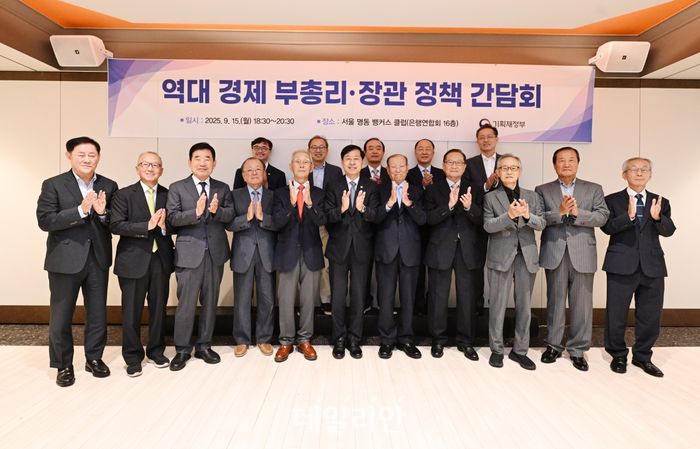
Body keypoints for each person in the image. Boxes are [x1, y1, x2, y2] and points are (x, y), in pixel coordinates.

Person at [36, 136, 118, 387]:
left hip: (98, 258)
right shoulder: (53, 184)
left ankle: (94, 358)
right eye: (81, 154)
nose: (87, 159)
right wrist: (80, 211)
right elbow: (45, 221)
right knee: (61, 316)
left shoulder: (109, 185)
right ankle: (63, 364)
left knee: (97, 313)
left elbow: (115, 221)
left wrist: (103, 214)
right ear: (69, 155)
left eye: (92, 155)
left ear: (99, 158)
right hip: (64, 260)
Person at [535, 147, 609, 372]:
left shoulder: (593, 188)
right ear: (554, 164)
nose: (566, 164)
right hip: (554, 252)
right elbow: (539, 218)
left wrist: (578, 213)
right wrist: (559, 213)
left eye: (571, 160)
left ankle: (577, 350)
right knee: (555, 302)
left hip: (583, 252)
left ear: (578, 163)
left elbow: (603, 217)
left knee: (582, 305)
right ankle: (553, 346)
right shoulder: (543, 190)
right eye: (561, 160)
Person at [602, 157, 675, 378]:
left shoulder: (660, 201)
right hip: (620, 265)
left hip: (653, 266)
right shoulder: (612, 200)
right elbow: (607, 227)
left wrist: (657, 217)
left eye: (644, 169)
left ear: (650, 174)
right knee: (616, 314)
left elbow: (669, 231)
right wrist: (629, 217)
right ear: (624, 174)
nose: (639, 173)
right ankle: (618, 355)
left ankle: (643, 356)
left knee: (650, 315)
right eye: (634, 169)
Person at [166, 142, 234, 371]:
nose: (202, 163)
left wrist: (216, 211)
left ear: (214, 163)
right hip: (189, 253)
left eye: (207, 158)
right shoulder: (177, 187)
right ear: (189, 162)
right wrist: (194, 213)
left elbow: (230, 216)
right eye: (197, 158)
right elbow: (172, 219)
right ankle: (182, 349)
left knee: (210, 303)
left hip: (215, 253)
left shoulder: (222, 188)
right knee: (186, 304)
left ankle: (204, 345)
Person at [110, 151, 175, 377]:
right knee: (131, 312)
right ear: (137, 168)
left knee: (159, 310)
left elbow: (176, 224)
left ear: (161, 170)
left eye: (155, 165)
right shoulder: (123, 194)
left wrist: (164, 226)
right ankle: (132, 357)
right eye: (145, 164)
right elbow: (116, 225)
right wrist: (146, 226)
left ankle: (156, 351)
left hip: (161, 260)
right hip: (132, 261)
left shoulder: (168, 194)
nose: (150, 168)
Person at [483, 154, 545, 370]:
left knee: (524, 307)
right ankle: (496, 350)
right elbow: (488, 226)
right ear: (498, 172)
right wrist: (508, 216)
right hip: (500, 257)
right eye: (505, 168)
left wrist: (528, 216)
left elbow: (542, 223)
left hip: (526, 257)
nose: (509, 171)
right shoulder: (491, 197)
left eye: (514, 168)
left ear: (520, 171)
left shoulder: (532, 196)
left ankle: (520, 351)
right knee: (497, 306)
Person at [424, 149, 483, 360]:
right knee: (438, 296)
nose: (454, 166)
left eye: (458, 163)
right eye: (450, 162)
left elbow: (483, 220)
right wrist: (449, 206)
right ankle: (438, 340)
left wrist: (469, 208)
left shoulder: (475, 188)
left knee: (467, 297)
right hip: (440, 248)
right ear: (443, 165)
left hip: (467, 249)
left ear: (465, 166)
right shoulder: (433, 189)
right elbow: (428, 219)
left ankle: (466, 341)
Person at [324, 144, 378, 359]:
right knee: (337, 297)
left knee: (358, 296)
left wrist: (363, 208)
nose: (352, 162)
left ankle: (355, 338)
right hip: (338, 248)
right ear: (342, 162)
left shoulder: (371, 186)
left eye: (356, 158)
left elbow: (377, 216)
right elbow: (327, 216)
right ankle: (338, 338)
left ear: (362, 162)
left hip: (362, 249)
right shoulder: (333, 185)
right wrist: (342, 209)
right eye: (348, 158)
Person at [273, 150, 326, 363]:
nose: (302, 165)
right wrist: (292, 204)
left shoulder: (320, 193)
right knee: (285, 299)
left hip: (311, 252)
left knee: (308, 299)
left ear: (312, 167)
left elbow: (323, 220)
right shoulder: (279, 194)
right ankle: (286, 341)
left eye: (306, 162)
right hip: (287, 252)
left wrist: (310, 204)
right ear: (291, 166)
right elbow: (277, 222)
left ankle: (305, 339)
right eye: (298, 162)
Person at [374, 154, 427, 360]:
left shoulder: (418, 191)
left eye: (401, 166)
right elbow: (374, 218)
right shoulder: (378, 190)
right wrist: (388, 204)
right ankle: (386, 340)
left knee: (408, 298)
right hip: (386, 250)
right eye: (393, 167)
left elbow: (423, 220)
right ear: (387, 170)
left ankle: (406, 338)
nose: (397, 170)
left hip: (410, 251)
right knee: (385, 298)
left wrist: (408, 202)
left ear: (407, 168)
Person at [228, 157, 278, 358]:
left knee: (267, 298)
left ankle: (264, 338)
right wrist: (246, 218)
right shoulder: (234, 195)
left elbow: (280, 223)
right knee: (242, 298)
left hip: (267, 253)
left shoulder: (273, 196)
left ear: (264, 173)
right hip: (243, 253)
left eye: (258, 169)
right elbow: (228, 223)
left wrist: (263, 218)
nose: (254, 173)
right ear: (243, 175)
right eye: (250, 170)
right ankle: (242, 340)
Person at [464, 121, 502, 314]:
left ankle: (497, 306)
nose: (486, 140)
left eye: (489, 137)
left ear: (496, 139)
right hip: (476, 219)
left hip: (501, 219)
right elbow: (466, 188)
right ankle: (477, 305)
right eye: (482, 137)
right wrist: (486, 186)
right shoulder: (469, 163)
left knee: (500, 263)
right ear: (477, 141)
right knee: (476, 263)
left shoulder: (506, 161)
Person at [406, 138, 446, 315]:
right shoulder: (407, 174)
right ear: (415, 153)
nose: (424, 152)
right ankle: (418, 305)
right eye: (420, 149)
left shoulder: (442, 173)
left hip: (438, 229)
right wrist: (422, 186)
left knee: (438, 269)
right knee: (418, 269)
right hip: (415, 230)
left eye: (427, 149)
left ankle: (433, 305)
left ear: (433, 152)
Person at [308, 135, 344, 315]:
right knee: (306, 264)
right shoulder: (303, 167)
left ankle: (326, 299)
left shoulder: (336, 171)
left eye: (321, 147)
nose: (318, 150)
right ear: (309, 150)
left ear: (327, 150)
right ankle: (308, 302)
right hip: (307, 223)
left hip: (327, 223)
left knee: (326, 263)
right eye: (314, 147)